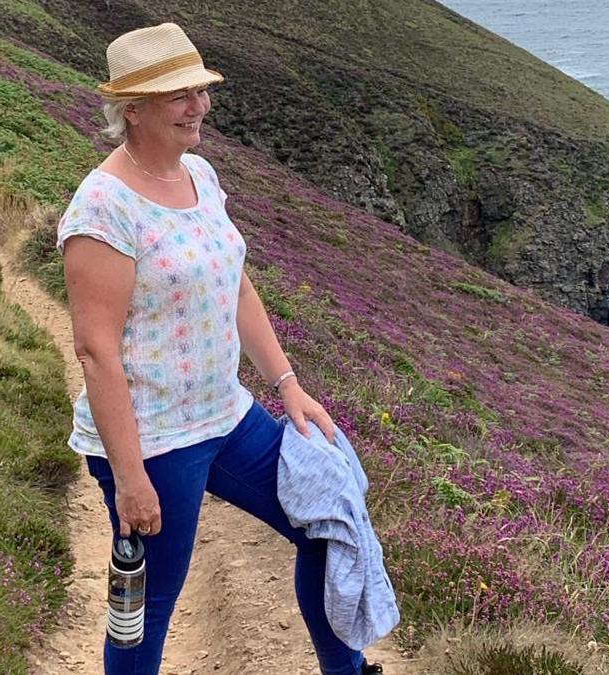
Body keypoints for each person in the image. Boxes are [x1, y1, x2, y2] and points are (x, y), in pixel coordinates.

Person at [56, 22, 385, 675]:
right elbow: (96, 352)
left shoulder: (201, 176)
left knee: (326, 520)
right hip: (152, 440)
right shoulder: (102, 208)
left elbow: (236, 287)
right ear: (133, 111)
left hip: (227, 417)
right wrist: (128, 477)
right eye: (180, 95)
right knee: (145, 612)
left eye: (200, 91)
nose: (199, 106)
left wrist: (287, 383)